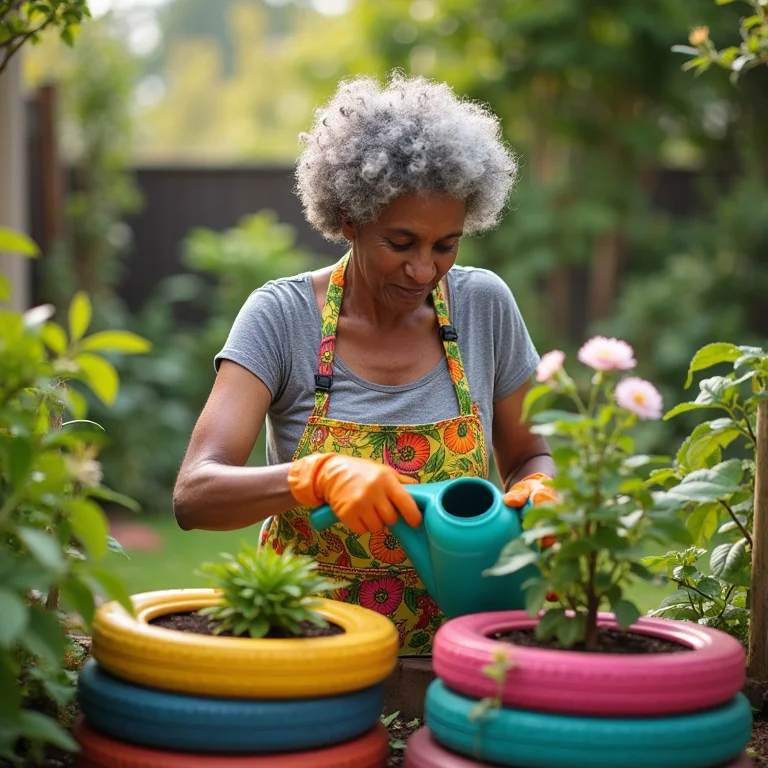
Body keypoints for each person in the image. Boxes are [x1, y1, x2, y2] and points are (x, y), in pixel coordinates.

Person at [173, 73, 556, 655]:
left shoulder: (484, 306)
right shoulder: (281, 317)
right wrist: (312, 477)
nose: (425, 270)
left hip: (460, 654)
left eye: (445, 245)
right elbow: (194, 497)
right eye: (400, 244)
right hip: (310, 651)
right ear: (350, 219)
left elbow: (530, 452)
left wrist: (539, 488)